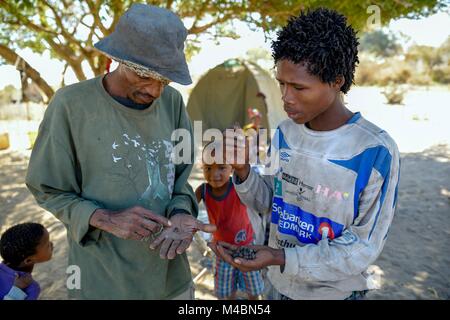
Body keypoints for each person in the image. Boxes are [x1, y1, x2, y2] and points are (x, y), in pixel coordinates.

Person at [25, 4, 214, 299]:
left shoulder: (173, 104)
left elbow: (179, 181)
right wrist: (104, 217)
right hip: (103, 281)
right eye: (144, 76)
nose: (155, 92)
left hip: (170, 281)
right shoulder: (70, 106)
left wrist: (180, 212)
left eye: (164, 80)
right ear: (116, 58)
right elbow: (48, 189)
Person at [210, 8, 401, 300]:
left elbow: (363, 247)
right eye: (281, 84)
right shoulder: (285, 133)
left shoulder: (374, 151)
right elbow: (269, 202)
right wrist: (243, 170)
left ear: (337, 81)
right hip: (278, 285)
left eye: (299, 87)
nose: (285, 98)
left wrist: (281, 257)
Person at [195, 145, 264, 300]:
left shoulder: (238, 186)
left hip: (247, 247)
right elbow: (189, 207)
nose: (214, 174)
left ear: (232, 168)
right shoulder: (203, 190)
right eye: (208, 168)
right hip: (222, 249)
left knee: (254, 290)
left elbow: (257, 192)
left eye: (221, 167)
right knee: (226, 291)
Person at [0, 223, 53, 300]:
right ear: (28, 260)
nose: (51, 244)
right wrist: (16, 291)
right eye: (47, 245)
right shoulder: (30, 289)